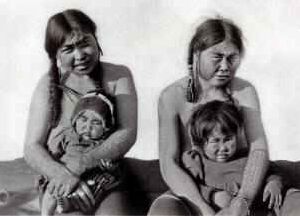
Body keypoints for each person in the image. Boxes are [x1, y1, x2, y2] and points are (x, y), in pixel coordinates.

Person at [148, 17, 269, 216]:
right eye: (217, 57)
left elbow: (259, 149)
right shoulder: (172, 96)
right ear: (197, 53)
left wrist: (242, 200)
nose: (225, 66)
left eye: (232, 58)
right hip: (192, 190)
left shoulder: (244, 91)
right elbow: (169, 163)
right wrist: (203, 206)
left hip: (238, 187)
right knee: (163, 211)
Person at [23, 9, 137, 215]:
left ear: (96, 38)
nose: (80, 55)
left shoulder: (118, 76)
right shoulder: (48, 85)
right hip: (59, 177)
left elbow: (127, 132)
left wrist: (81, 166)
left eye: (85, 43)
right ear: (55, 54)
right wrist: (64, 175)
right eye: (68, 49)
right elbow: (32, 147)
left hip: (106, 176)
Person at [182, 100, 283, 215]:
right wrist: (212, 195)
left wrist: (274, 183)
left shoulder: (248, 157)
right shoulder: (197, 160)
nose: (223, 147)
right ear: (201, 142)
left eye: (228, 139)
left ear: (237, 136)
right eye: (215, 141)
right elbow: (188, 187)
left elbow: (273, 170)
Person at [41, 93, 122, 215]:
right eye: (83, 119)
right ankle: (46, 213)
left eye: (96, 122)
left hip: (88, 183)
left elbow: (114, 168)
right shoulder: (67, 136)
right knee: (52, 190)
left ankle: (68, 203)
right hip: (65, 173)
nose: (87, 127)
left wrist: (109, 166)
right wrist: (53, 167)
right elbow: (52, 153)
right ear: (75, 120)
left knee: (95, 189)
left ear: (106, 128)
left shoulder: (104, 145)